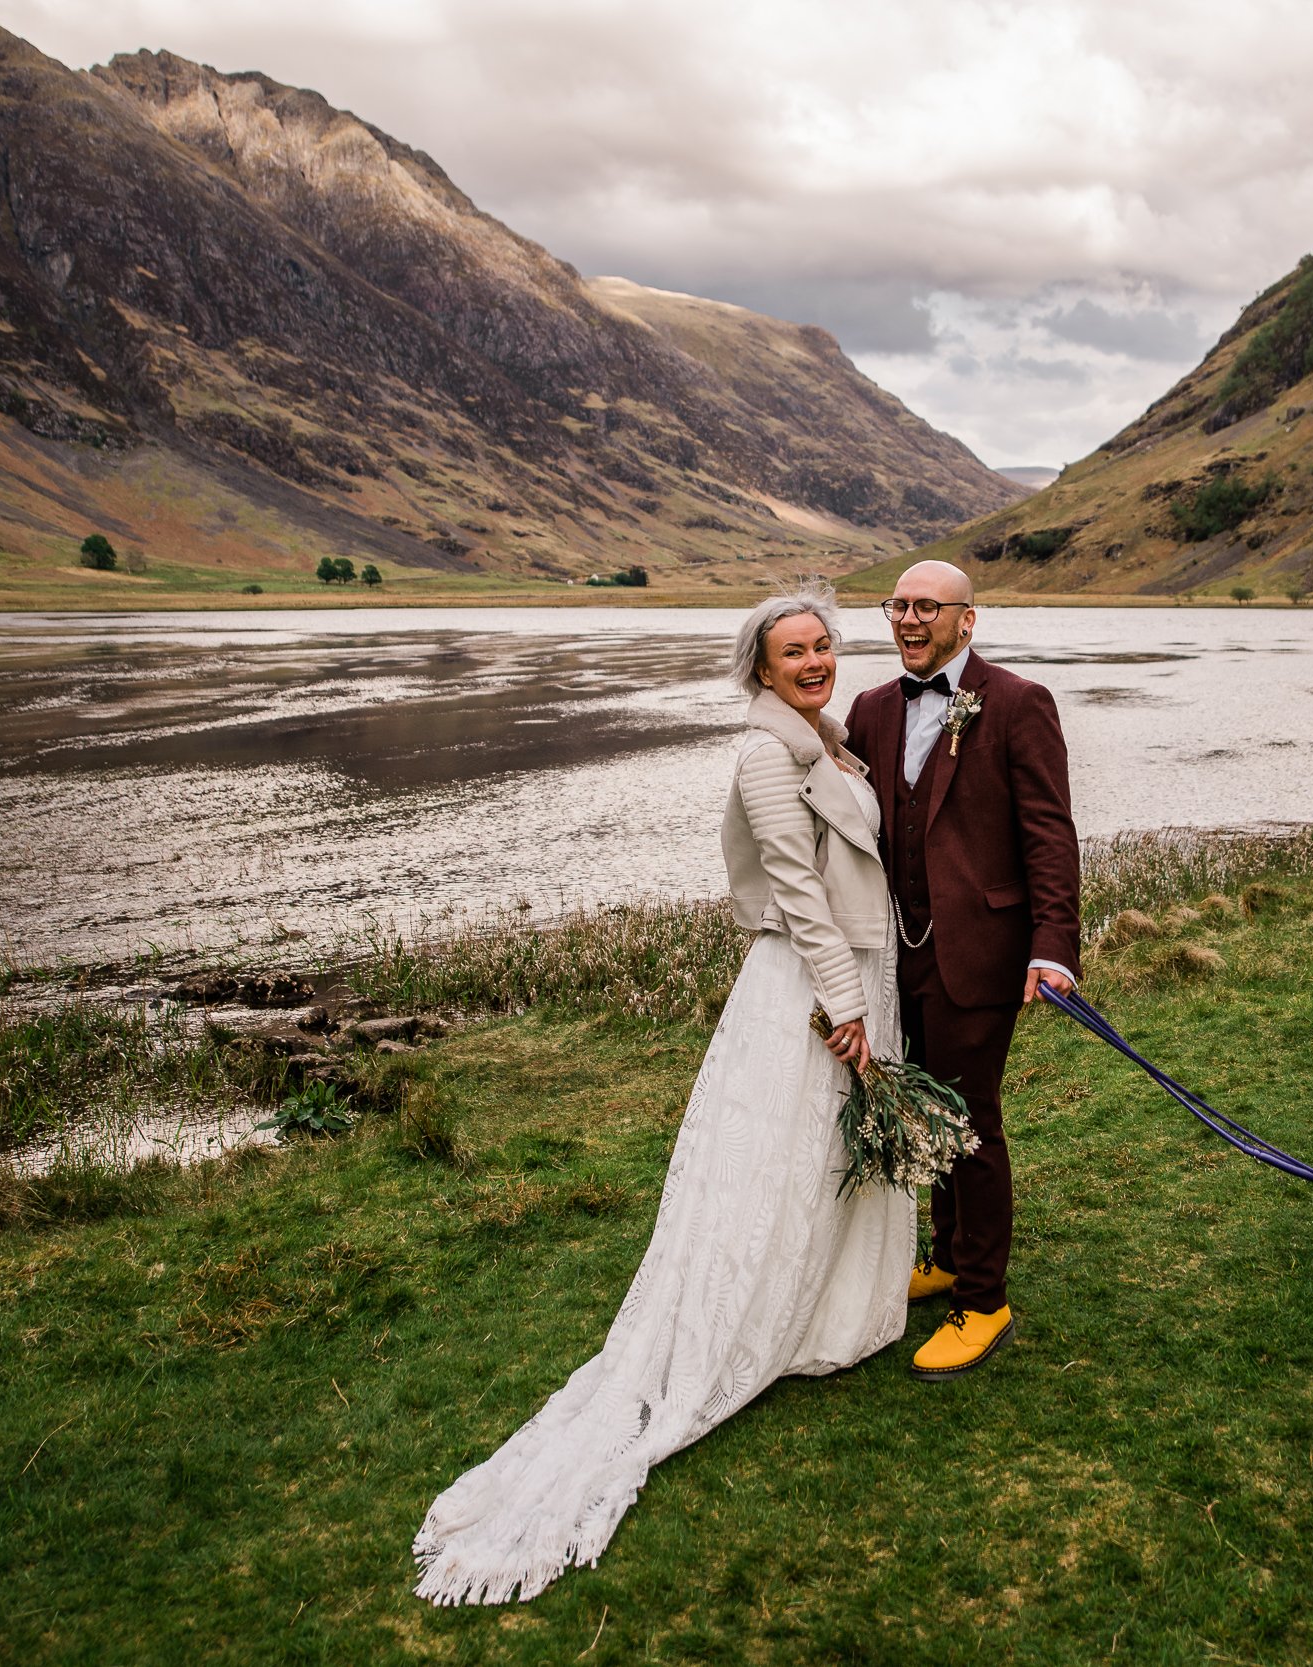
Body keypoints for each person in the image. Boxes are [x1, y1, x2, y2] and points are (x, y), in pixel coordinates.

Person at [412, 582, 913, 1605]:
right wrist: (845, 1005)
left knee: (828, 1156)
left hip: (864, 969)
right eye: (793, 652)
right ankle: (761, 1324)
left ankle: (835, 1304)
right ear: (759, 669)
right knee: (787, 1154)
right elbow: (795, 883)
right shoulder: (766, 753)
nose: (814, 661)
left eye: (822, 644)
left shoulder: (826, 738)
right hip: (817, 985)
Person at [845, 560, 1081, 1379]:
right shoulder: (871, 708)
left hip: (982, 950)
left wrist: (1052, 946)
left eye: (926, 607)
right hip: (894, 950)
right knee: (921, 1107)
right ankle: (945, 1253)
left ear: (966, 619)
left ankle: (984, 1299)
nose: (909, 620)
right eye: (898, 605)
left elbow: (1050, 833)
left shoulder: (1019, 703)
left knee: (970, 1117)